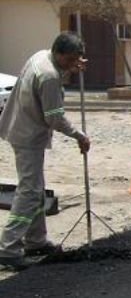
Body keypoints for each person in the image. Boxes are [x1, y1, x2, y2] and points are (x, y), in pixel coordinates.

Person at [0, 32, 91, 269]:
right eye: (70, 60)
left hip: (19, 127)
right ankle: (8, 248)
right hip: (27, 136)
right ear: (59, 53)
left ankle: (35, 241)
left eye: (76, 61)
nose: (73, 65)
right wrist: (79, 135)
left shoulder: (41, 55)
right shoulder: (50, 76)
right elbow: (55, 118)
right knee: (29, 190)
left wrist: (69, 69)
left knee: (36, 187)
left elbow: (50, 84)